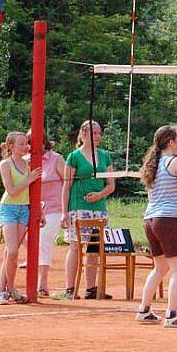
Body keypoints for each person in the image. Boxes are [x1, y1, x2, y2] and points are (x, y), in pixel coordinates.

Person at [134, 125, 177, 328]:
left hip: (151, 220)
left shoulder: (153, 165)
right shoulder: (176, 162)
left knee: (160, 267)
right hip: (169, 219)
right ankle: (172, 315)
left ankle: (144, 310)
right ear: (170, 142)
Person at [60, 120, 115, 300]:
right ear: (84, 134)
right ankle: (70, 288)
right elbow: (66, 186)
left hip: (98, 208)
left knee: (94, 249)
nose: (98, 136)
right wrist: (64, 212)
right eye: (94, 133)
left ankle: (91, 288)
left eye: (99, 133)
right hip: (78, 207)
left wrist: (99, 195)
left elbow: (111, 185)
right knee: (75, 247)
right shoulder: (74, 156)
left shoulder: (105, 156)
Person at [0, 132, 41, 304]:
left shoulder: (28, 163)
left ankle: (7, 289)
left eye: (26, 144)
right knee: (13, 250)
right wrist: (29, 179)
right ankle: (7, 289)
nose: (26, 147)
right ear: (11, 146)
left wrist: (39, 211)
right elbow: (12, 191)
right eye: (21, 144)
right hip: (9, 208)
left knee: (11, 252)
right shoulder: (5, 164)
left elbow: (32, 193)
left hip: (24, 209)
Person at [28, 131, 65, 296]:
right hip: (27, 209)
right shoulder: (24, 161)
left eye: (36, 141)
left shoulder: (56, 159)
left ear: (44, 142)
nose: (32, 145)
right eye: (29, 142)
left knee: (43, 242)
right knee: (26, 242)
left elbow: (68, 183)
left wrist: (66, 210)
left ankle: (41, 284)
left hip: (52, 208)